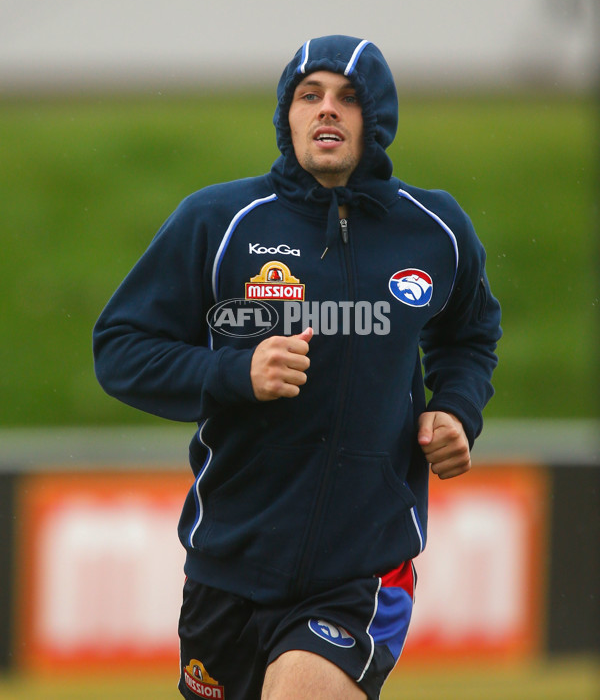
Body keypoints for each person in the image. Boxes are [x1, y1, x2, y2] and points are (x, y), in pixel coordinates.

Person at [93, 35, 501, 699]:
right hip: (228, 561)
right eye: (310, 95)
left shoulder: (436, 230)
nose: (327, 110)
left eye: (347, 97)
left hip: (362, 564)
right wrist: (234, 372)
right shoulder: (217, 221)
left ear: (379, 118)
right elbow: (120, 347)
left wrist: (456, 406)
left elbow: (470, 333)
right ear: (287, 116)